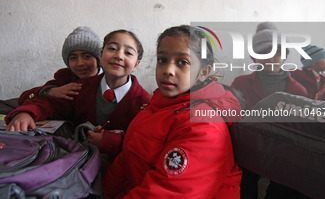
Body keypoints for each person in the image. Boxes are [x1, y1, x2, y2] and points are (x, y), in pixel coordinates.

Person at [103, 25, 242, 199]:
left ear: (203, 73)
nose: (168, 70)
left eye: (183, 62)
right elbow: (128, 160)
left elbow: (169, 192)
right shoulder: (158, 105)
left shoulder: (205, 125)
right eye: (162, 59)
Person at [6, 29, 151, 160]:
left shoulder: (143, 102)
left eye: (128, 53)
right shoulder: (82, 88)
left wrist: (109, 141)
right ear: (101, 55)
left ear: (136, 65)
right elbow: (51, 104)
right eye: (112, 48)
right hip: (78, 159)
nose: (118, 56)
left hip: (117, 166)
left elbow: (145, 143)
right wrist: (26, 113)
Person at [231, 22, 309, 199]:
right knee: (243, 187)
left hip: (282, 153)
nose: (270, 57)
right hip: (248, 150)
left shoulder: (298, 90)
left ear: (285, 55)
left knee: (283, 189)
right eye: (263, 52)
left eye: (276, 52)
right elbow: (234, 119)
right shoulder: (241, 84)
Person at [18, 26, 102, 105]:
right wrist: (51, 91)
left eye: (86, 56)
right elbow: (23, 98)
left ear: (99, 59)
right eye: (73, 58)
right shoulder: (65, 79)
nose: (80, 63)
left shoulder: (109, 79)